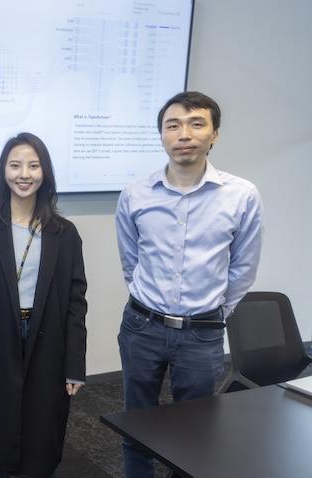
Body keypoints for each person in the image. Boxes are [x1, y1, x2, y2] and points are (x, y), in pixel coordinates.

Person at [115, 91, 263, 477]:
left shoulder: (241, 195)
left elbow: (243, 267)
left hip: (202, 332)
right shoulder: (135, 195)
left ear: (214, 135)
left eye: (196, 124)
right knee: (136, 425)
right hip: (142, 327)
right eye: (173, 125)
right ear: (162, 135)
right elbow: (131, 262)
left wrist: (213, 311)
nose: (184, 134)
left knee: (194, 433)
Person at [0, 132, 87, 478]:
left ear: (45, 172)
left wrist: (75, 364)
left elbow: (76, 304)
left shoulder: (65, 233)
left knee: (42, 427)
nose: (24, 174)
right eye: (15, 165)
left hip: (49, 337)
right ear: (4, 171)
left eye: (34, 165)